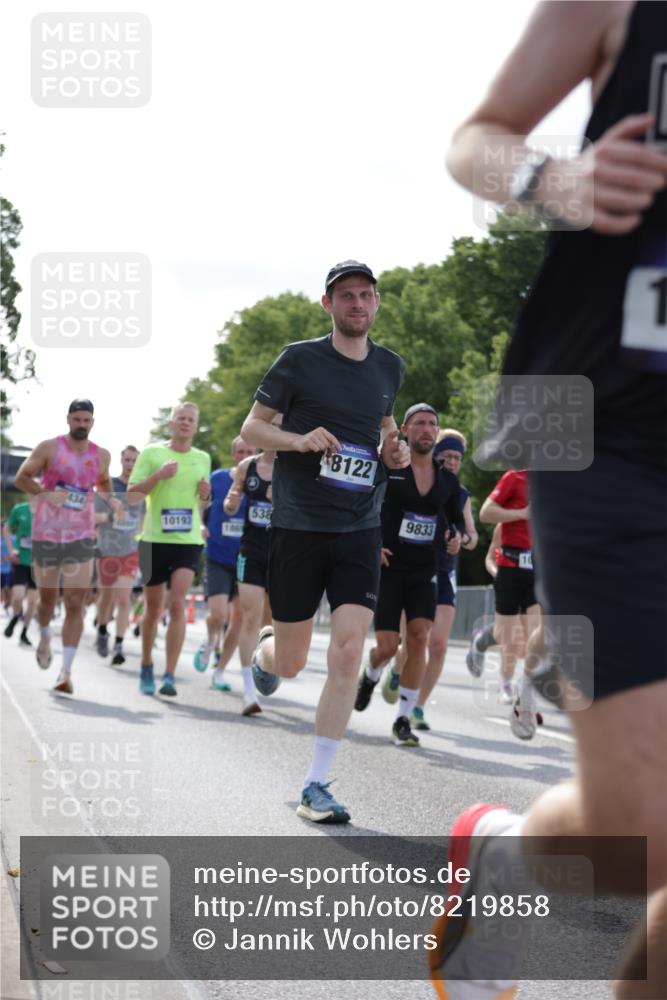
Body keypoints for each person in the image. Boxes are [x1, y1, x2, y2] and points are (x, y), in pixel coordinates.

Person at [433, 4, 667, 999]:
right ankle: (499, 855)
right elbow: (475, 139)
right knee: (641, 831)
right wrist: (554, 180)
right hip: (599, 414)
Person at [241, 260, 409, 824]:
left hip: (361, 525)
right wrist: (297, 438)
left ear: (377, 303)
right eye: (346, 296)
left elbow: (384, 424)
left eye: (365, 295)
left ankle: (316, 783)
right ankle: (268, 648)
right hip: (299, 525)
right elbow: (251, 430)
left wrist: (393, 450)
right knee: (289, 664)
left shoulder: (390, 366)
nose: (357, 304)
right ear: (328, 304)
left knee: (347, 650)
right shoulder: (300, 358)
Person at [354, 405, 464, 747]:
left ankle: (403, 718)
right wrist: (372, 545)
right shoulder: (391, 468)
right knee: (389, 647)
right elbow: (364, 505)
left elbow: (455, 519)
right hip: (388, 566)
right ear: (405, 429)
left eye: (433, 424)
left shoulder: (446, 478)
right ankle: (371, 673)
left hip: (424, 569)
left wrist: (456, 538)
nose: (427, 430)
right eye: (420, 424)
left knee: (419, 638)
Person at [13, 399, 116, 694]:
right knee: (46, 602)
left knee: (75, 602)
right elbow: (22, 477)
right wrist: (45, 493)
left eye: (86, 420)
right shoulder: (50, 448)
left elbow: (104, 482)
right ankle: (45, 636)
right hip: (46, 536)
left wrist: (112, 503)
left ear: (92, 423)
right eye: (77, 419)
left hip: (81, 537)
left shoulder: (102, 455)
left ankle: (66, 671)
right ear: (68, 420)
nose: (81, 425)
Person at [383, 429, 478, 730]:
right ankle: (398, 668)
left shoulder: (459, 494)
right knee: (411, 644)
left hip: (443, 571)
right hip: (411, 569)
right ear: (435, 456)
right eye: (446, 456)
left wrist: (462, 538)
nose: (452, 462)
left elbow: (472, 536)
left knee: (438, 646)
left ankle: (417, 708)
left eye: (457, 458)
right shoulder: (413, 482)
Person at [128, 402, 211, 696]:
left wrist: (206, 496)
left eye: (191, 419)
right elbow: (133, 495)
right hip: (153, 539)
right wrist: (158, 476)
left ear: (195, 425)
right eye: (181, 418)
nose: (186, 423)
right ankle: (147, 664)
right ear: (172, 423)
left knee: (177, 603)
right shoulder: (152, 453)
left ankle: (170, 674)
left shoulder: (203, 458)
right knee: (153, 608)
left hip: (187, 541)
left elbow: (201, 502)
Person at [466, 469, 540, 704]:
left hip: (537, 571)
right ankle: (484, 643)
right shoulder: (515, 477)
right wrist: (522, 513)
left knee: (536, 633)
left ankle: (525, 686)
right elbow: (486, 513)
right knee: (506, 636)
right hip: (509, 568)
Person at [222, 432, 280, 715]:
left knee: (272, 621)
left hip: (283, 552)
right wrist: (231, 502)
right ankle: (248, 691)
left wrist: (280, 498)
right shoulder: (248, 467)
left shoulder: (293, 468)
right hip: (252, 550)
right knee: (249, 616)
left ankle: (265, 662)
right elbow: (231, 503)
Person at [195, 435, 254, 690]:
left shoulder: (261, 480)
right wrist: (199, 524)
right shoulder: (219, 478)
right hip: (217, 555)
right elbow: (200, 503)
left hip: (247, 558)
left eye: (249, 451)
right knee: (218, 615)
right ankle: (210, 642)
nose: (244, 456)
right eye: (240, 451)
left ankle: (220, 671)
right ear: (234, 455)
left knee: (238, 618)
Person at [94, 446, 144, 665]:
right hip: (107, 550)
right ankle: (103, 630)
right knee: (107, 598)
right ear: (121, 461)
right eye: (127, 460)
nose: (130, 464)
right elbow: (92, 517)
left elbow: (143, 520)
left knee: (124, 599)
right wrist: (112, 516)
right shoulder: (109, 487)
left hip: (130, 552)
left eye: (134, 461)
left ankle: (119, 645)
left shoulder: (142, 490)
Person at [3, 498, 37, 646]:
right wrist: (11, 551)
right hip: (21, 561)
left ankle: (24, 632)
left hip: (39, 564)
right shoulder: (20, 509)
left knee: (32, 602)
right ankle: (16, 616)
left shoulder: (49, 511)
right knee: (17, 597)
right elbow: (7, 528)